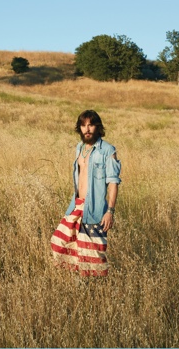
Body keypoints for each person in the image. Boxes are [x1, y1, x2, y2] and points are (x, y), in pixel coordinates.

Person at [50, 109, 121, 277]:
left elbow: (113, 183)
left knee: (93, 255)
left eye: (90, 125)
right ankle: (78, 282)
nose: (87, 130)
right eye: (83, 126)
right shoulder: (79, 148)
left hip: (95, 209)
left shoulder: (108, 151)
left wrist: (110, 212)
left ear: (97, 127)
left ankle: (94, 289)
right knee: (59, 242)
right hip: (77, 205)